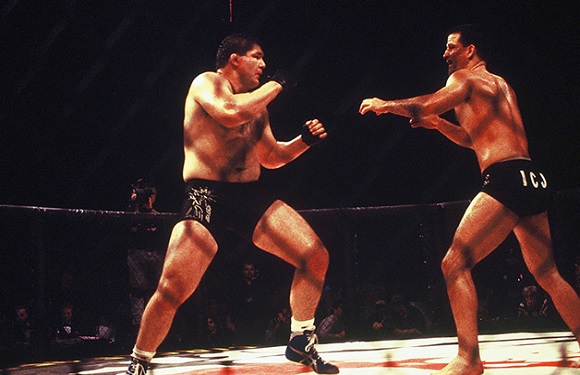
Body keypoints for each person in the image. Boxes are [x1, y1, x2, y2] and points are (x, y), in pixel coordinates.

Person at [359, 24, 580, 374]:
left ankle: (469, 358)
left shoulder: (464, 80)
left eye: (451, 47)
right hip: (531, 176)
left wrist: (386, 105)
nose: (445, 54)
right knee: (548, 273)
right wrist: (439, 126)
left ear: (470, 50)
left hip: (505, 180)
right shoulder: (501, 84)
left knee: (454, 264)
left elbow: (424, 104)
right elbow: (474, 139)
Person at [126, 33, 338, 374]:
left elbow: (270, 157)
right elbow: (228, 113)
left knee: (314, 256)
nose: (264, 65)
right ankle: (140, 359)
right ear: (235, 60)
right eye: (257, 56)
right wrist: (277, 85)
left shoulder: (255, 107)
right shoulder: (207, 83)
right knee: (173, 287)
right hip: (205, 195)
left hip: (248, 195)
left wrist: (304, 141)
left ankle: (302, 338)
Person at [126, 178, 166, 338]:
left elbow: (157, 228)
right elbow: (131, 228)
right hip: (137, 253)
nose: (150, 196)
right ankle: (138, 328)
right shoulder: (132, 211)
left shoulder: (157, 214)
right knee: (137, 290)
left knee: (157, 290)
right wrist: (134, 204)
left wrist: (149, 207)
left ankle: (156, 328)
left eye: (152, 194)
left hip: (155, 253)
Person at [227, 261, 267, 345]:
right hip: (241, 321)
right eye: (246, 269)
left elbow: (264, 303)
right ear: (243, 271)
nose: (249, 272)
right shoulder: (236, 285)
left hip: (257, 321)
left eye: (251, 269)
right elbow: (231, 304)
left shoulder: (260, 285)